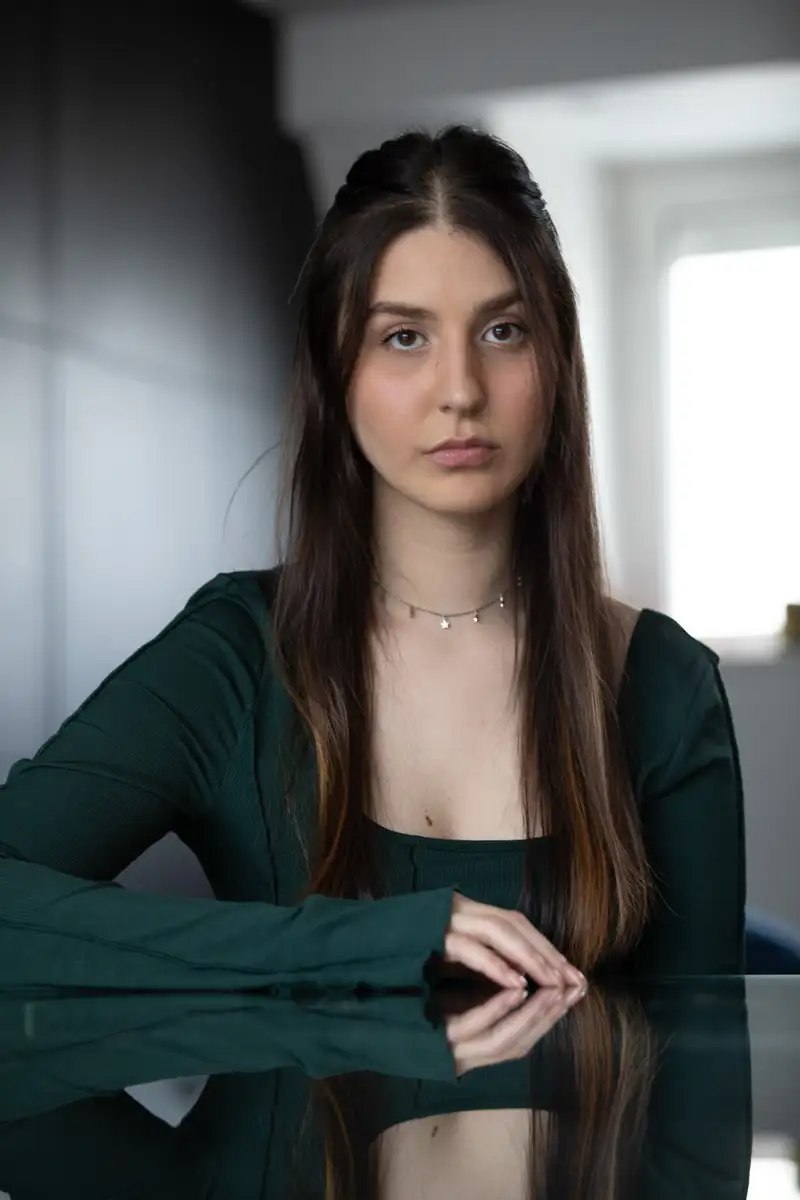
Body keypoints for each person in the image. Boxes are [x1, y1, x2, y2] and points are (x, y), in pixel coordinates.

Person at [0, 125, 745, 1001]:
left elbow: (702, 1060)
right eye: (404, 337)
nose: (460, 390)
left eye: (503, 330)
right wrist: (360, 942)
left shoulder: (662, 683)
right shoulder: (238, 655)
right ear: (336, 372)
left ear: (558, 364)